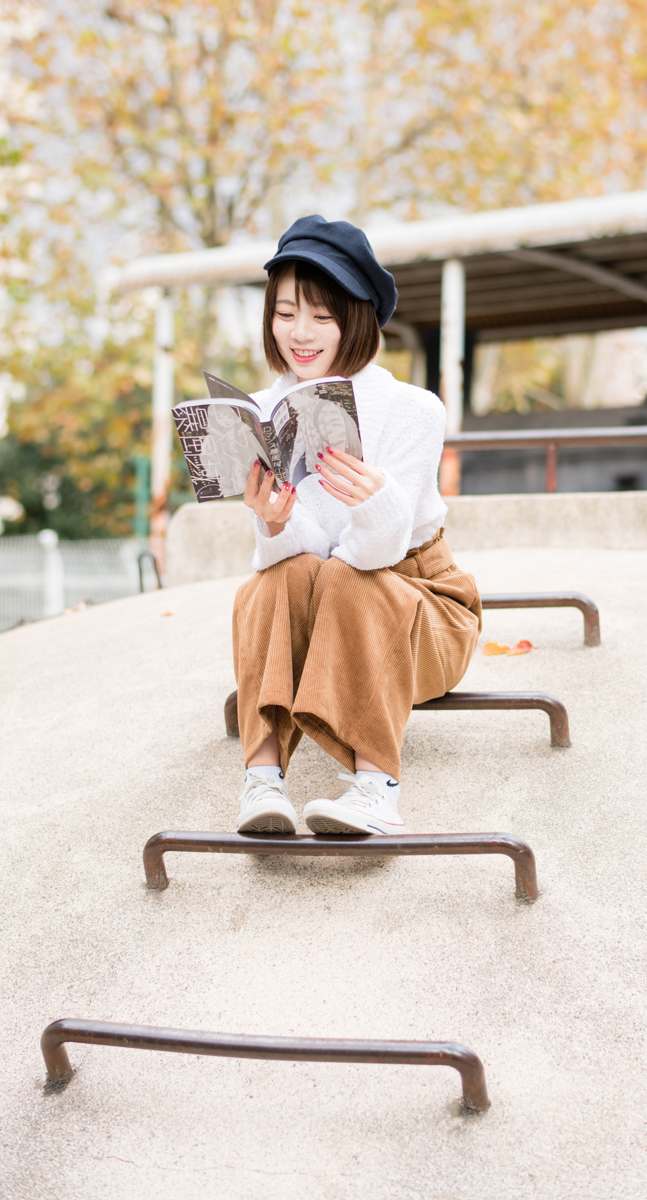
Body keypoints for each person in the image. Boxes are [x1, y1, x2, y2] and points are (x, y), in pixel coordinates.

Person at [233, 214, 481, 837]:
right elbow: (301, 563)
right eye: (285, 313)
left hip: (422, 607)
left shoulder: (412, 410)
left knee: (350, 580)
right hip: (326, 608)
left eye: (322, 315)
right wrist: (274, 523)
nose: (300, 333)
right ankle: (262, 783)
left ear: (358, 317)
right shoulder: (264, 412)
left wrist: (375, 506)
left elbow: (373, 556)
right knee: (266, 582)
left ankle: (377, 791)